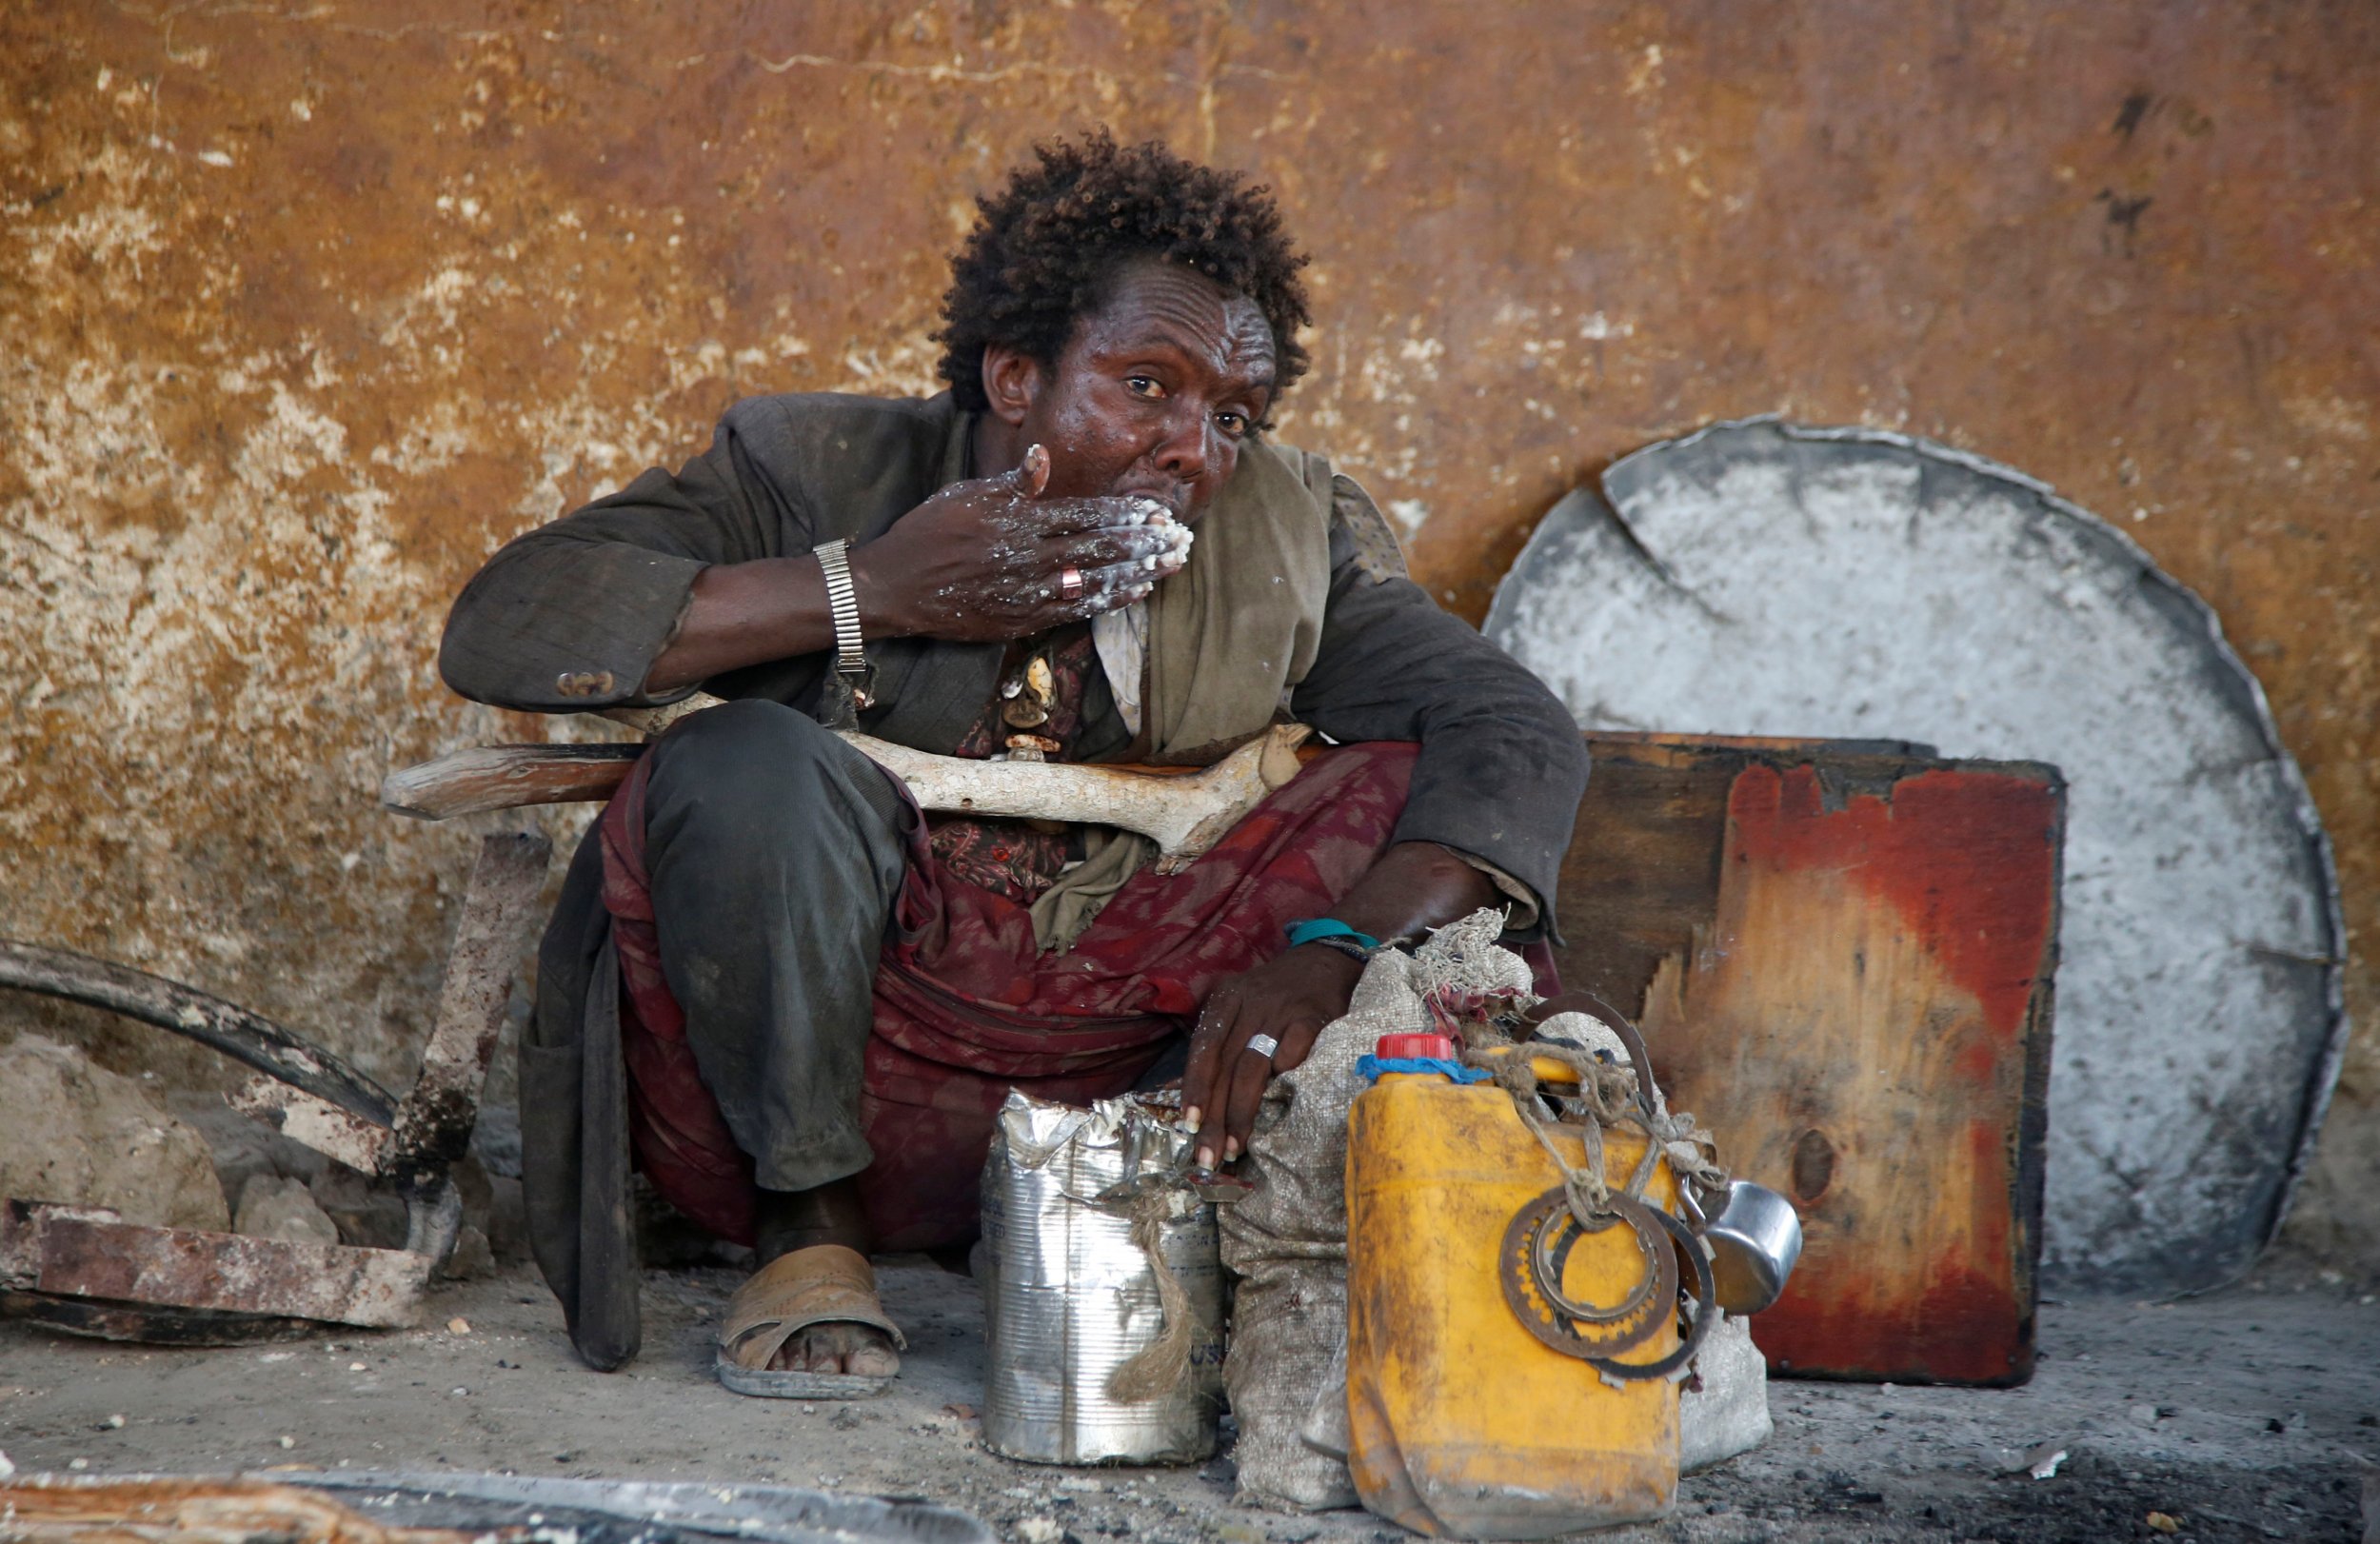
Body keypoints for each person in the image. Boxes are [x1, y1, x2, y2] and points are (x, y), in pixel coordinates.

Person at [438, 131, 1590, 1394]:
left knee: (1387, 792)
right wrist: (867, 587)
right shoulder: (816, 470)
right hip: (818, 1063)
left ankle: (1115, 1218)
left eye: (1233, 416)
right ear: (1013, 374)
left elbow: (1514, 731)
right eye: (1147, 386)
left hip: (1122, 1077)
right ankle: (809, 1239)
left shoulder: (1287, 533)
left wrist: (1336, 954)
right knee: (735, 763)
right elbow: (510, 623)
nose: (1195, 450)